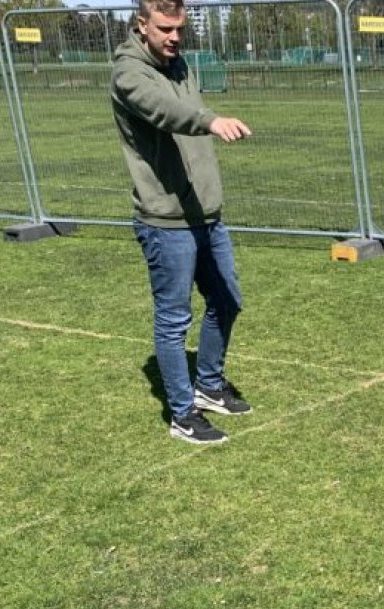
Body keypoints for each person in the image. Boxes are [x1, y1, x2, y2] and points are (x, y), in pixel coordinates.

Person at [112, 0, 254, 444]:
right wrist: (211, 120)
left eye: (180, 28)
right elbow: (165, 112)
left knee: (227, 299)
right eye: (165, 28)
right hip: (165, 221)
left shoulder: (179, 63)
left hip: (206, 214)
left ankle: (209, 386)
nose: (174, 37)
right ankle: (181, 413)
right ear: (142, 25)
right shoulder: (129, 74)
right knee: (174, 320)